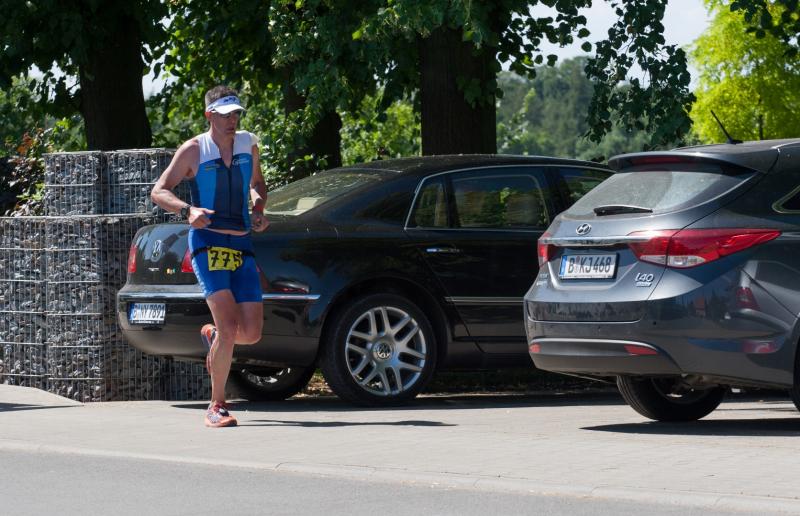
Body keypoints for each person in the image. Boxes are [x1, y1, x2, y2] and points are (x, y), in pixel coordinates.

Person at [151, 85, 269, 427]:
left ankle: (215, 337)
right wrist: (187, 210)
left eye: (236, 114)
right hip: (208, 244)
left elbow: (257, 184)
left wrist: (258, 208)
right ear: (209, 115)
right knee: (230, 327)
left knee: (251, 333)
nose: (233, 121)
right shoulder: (193, 149)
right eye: (225, 115)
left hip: (242, 244)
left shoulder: (248, 144)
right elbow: (159, 191)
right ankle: (216, 405)